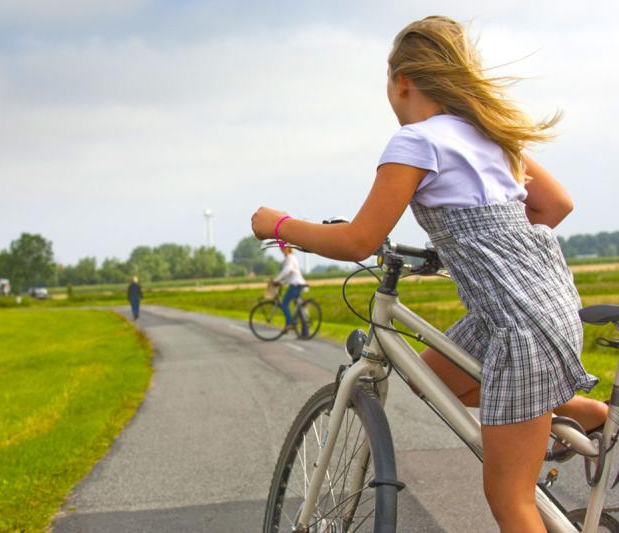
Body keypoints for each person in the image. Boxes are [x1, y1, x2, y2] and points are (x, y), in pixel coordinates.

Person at [251, 16, 606, 532]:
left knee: (510, 498)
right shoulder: (490, 135)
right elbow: (556, 206)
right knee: (434, 379)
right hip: (539, 308)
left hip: (517, 326)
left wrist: (278, 224)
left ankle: (564, 422)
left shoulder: (415, 142)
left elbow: (358, 241)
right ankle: (589, 414)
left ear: (402, 83)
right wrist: (468, 246)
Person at [273, 246, 308, 335]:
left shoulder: (290, 258)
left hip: (295, 284)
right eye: (281, 249)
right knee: (298, 307)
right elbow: (290, 274)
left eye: (283, 248)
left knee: (284, 304)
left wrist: (276, 280)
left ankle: (290, 324)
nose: (282, 250)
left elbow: (287, 270)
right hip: (296, 283)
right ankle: (304, 332)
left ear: (288, 248)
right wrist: (282, 281)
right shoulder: (290, 257)